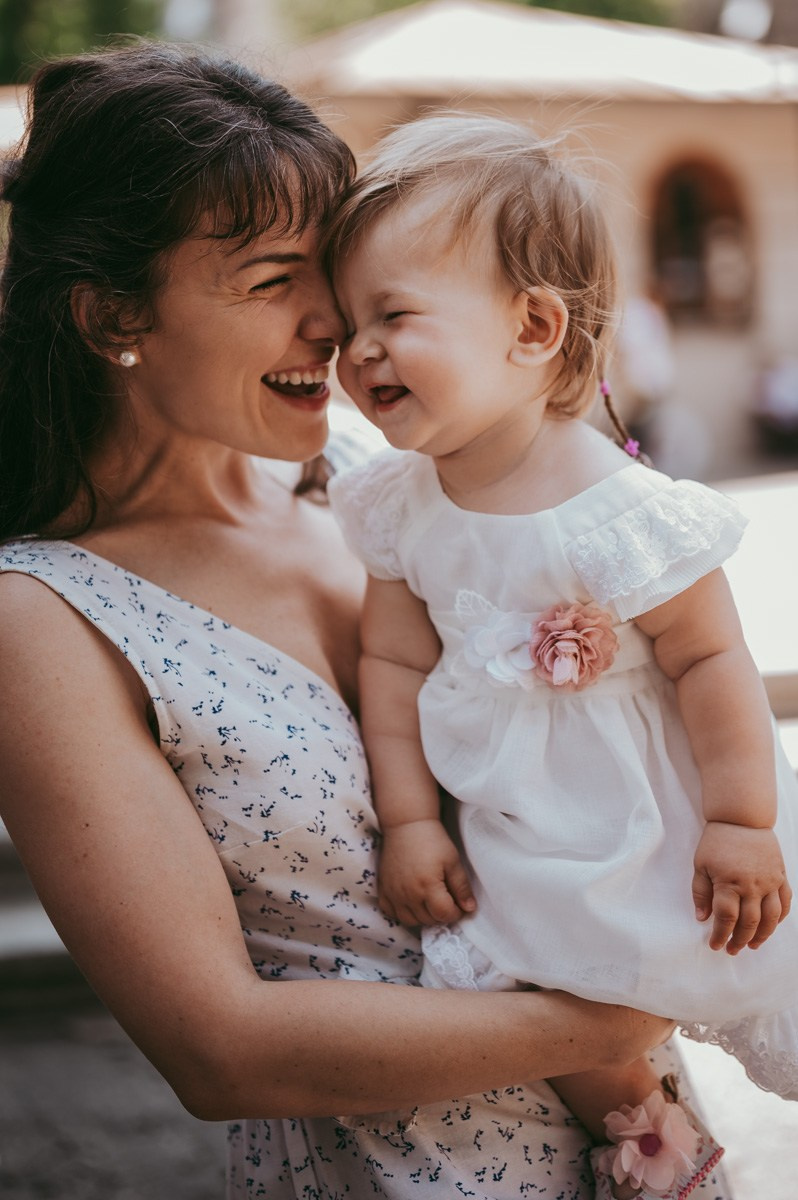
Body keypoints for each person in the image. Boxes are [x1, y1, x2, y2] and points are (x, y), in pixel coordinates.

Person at [0, 43, 692, 1200]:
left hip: (647, 1147)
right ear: (113, 315)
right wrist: (616, 1011)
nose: (334, 321)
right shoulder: (46, 619)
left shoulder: (387, 474)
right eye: (274, 281)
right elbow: (220, 1049)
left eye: (330, 266)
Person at [326, 112, 798, 1198]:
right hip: (516, 826)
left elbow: (711, 661)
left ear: (533, 326)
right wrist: (406, 820)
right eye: (348, 324)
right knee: (530, 982)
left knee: (685, 963)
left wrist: (739, 820)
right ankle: (652, 1134)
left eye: (393, 316)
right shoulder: (400, 505)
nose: (359, 352)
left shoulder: (618, 510)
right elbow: (389, 667)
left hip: (642, 817)